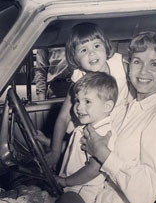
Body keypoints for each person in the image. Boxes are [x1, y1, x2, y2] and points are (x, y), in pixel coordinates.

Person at [79, 31, 156, 203]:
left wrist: (104, 154)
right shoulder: (124, 109)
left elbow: (148, 192)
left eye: (154, 64)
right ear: (128, 66)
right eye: (137, 61)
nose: (143, 71)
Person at [42, 22, 134, 168]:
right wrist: (55, 151)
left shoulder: (121, 66)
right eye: (83, 50)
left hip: (122, 127)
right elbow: (64, 117)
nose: (92, 53)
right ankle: (60, 146)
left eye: (97, 46)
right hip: (93, 128)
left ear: (106, 46)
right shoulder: (79, 78)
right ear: (75, 58)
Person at [54, 71, 118, 203]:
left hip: (83, 188)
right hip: (72, 184)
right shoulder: (87, 126)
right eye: (77, 101)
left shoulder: (102, 133)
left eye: (87, 101)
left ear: (107, 106)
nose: (78, 107)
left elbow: (93, 169)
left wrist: (66, 181)